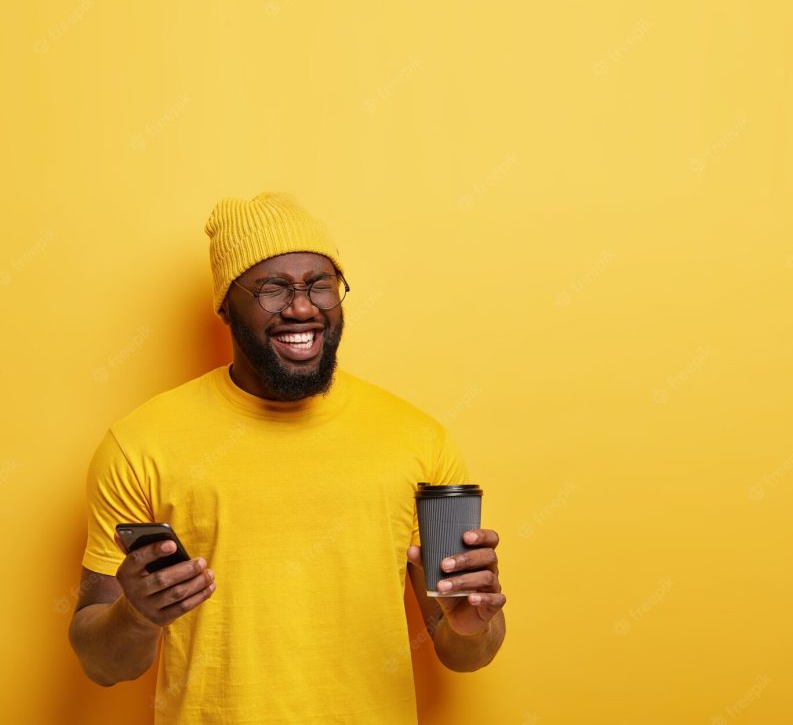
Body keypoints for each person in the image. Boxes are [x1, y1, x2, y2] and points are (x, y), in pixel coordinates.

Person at [68, 192, 506, 724]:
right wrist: (136, 615)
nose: (303, 308)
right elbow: (101, 665)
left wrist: (470, 623)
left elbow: (467, 653)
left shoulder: (418, 441)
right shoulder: (139, 446)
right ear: (226, 304)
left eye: (321, 285)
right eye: (274, 289)